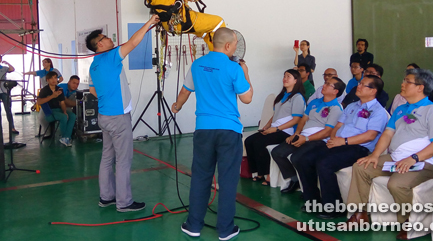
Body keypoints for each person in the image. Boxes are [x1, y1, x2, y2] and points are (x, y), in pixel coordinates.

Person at [171, 27, 252, 240]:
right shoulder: (234, 68)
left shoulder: (197, 65)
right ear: (227, 46)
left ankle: (193, 225)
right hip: (228, 131)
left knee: (201, 177)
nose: (236, 48)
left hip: (204, 129)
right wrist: (246, 74)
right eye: (235, 44)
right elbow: (247, 98)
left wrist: (177, 106)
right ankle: (225, 230)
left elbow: (184, 92)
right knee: (227, 180)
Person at [346, 69, 433, 240]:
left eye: (407, 81)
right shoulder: (401, 109)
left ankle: (407, 221)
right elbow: (387, 133)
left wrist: (413, 158)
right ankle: (360, 214)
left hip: (424, 162)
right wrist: (375, 155)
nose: (402, 84)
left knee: (396, 184)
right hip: (396, 158)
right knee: (362, 166)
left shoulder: (432, 111)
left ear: (420, 87)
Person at [87, 14, 160, 212]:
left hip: (105, 116)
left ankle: (107, 197)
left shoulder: (94, 64)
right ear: (99, 45)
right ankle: (124, 202)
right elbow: (133, 42)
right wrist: (150, 23)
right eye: (105, 38)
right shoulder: (110, 57)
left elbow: (93, 90)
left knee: (107, 157)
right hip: (118, 117)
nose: (110, 39)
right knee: (123, 160)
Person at [292, 75, 387, 219]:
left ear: (373, 91)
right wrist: (334, 139)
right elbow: (338, 126)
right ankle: (313, 200)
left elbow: (370, 136)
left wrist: (344, 141)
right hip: (339, 142)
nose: (358, 87)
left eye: (363, 85)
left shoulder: (378, 111)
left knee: (324, 163)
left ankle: (334, 207)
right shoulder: (351, 106)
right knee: (302, 158)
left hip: (358, 148)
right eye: (359, 83)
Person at [271, 76, 346, 194]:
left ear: (335, 91)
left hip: (318, 139)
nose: (324, 85)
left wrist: (306, 138)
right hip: (303, 135)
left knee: (298, 158)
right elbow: (303, 119)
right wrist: (296, 134)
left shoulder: (336, 108)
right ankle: (295, 179)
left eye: (328, 84)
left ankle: (310, 190)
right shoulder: (315, 102)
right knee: (277, 152)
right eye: (325, 83)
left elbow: (327, 132)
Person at [244, 69, 305, 186]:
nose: (285, 78)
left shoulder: (297, 97)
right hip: (274, 128)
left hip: (286, 131)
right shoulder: (281, 96)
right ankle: (257, 172)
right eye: (284, 76)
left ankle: (268, 174)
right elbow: (275, 115)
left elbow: (296, 119)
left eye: (289, 76)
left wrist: (276, 129)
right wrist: (266, 126)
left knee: (260, 143)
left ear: (296, 81)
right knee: (249, 141)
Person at [36, 71, 75, 147]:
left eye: (55, 78)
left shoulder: (59, 89)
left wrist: (64, 111)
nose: (54, 80)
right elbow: (39, 101)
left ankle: (67, 137)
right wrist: (52, 96)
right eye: (51, 78)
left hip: (59, 109)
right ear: (47, 80)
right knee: (63, 117)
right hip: (50, 112)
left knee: (72, 116)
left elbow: (62, 102)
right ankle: (64, 137)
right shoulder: (44, 90)